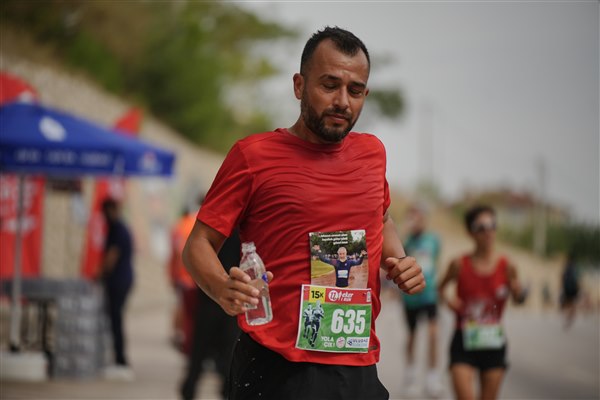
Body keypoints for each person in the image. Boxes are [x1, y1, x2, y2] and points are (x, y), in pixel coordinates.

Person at [183, 26, 425, 400]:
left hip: (356, 364)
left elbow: (381, 218)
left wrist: (400, 260)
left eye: (355, 90)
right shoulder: (253, 156)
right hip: (276, 368)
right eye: (329, 85)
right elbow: (198, 244)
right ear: (299, 85)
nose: (342, 101)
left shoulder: (372, 154)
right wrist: (221, 288)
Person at [438, 204, 527, 400]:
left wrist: (518, 292)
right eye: (481, 227)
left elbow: (518, 300)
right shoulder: (459, 264)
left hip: (493, 342)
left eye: (492, 226)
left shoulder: (507, 266)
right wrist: (449, 302)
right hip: (463, 339)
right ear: (470, 232)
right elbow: (440, 289)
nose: (488, 232)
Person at [179, 228, 241, 400]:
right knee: (228, 352)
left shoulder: (213, 230)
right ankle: (224, 390)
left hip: (211, 299)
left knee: (200, 349)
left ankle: (190, 387)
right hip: (229, 300)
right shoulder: (241, 229)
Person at [400, 203, 442, 398]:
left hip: (429, 294)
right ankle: (410, 376)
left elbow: (436, 262)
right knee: (412, 335)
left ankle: (432, 377)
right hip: (411, 297)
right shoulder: (406, 240)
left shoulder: (434, 240)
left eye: (418, 217)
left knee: (433, 334)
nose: (415, 221)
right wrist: (405, 230)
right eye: (412, 218)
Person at [98, 197, 135, 381]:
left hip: (118, 281)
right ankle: (119, 356)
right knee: (116, 319)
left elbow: (112, 256)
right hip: (122, 279)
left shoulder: (118, 229)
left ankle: (120, 358)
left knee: (115, 319)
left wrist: (100, 273)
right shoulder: (120, 227)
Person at [168, 205, 201, 352]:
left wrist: (172, 275)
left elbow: (174, 254)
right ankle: (190, 342)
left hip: (183, 277)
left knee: (184, 309)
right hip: (196, 277)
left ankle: (181, 337)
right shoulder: (197, 224)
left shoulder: (179, 227)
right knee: (193, 314)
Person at [560, 250, 580, 329]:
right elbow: (577, 279)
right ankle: (570, 316)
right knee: (572, 303)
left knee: (568, 303)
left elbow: (562, 277)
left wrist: (562, 287)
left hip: (567, 288)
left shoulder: (567, 267)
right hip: (573, 288)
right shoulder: (574, 267)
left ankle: (569, 316)